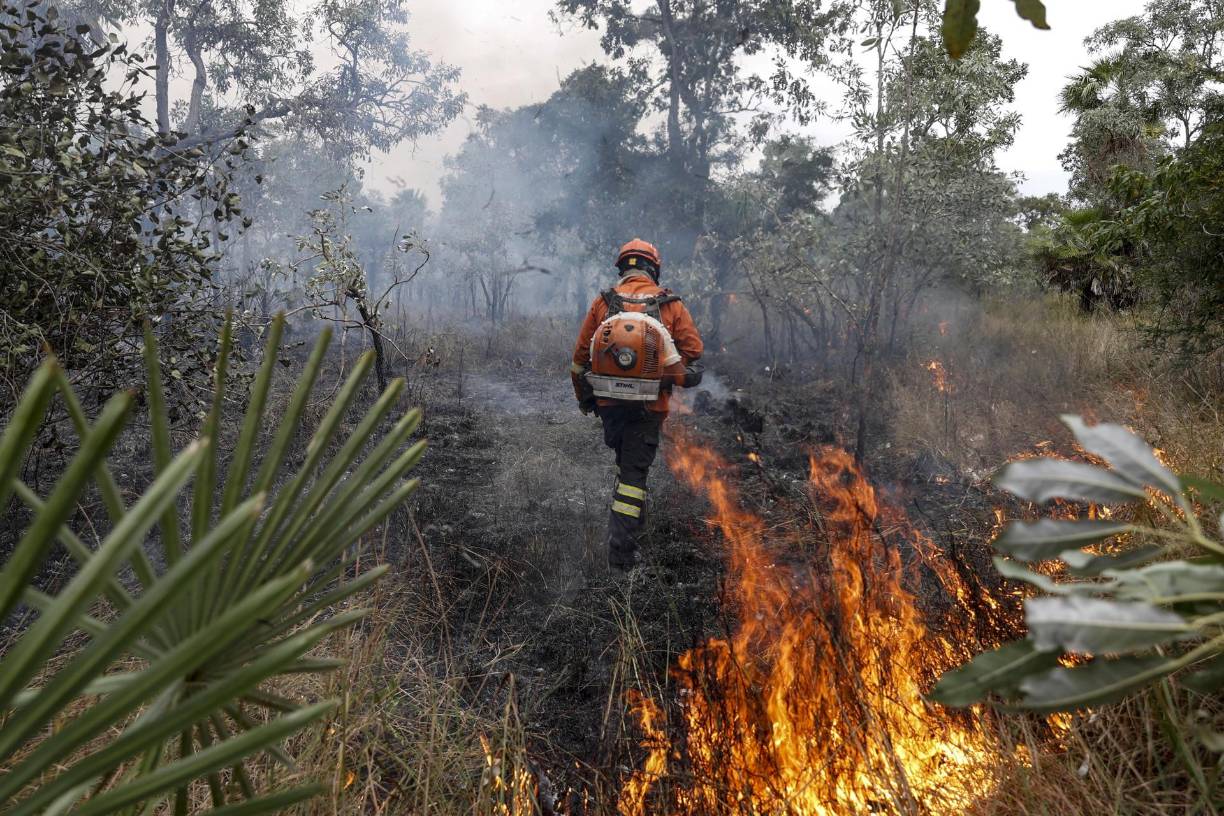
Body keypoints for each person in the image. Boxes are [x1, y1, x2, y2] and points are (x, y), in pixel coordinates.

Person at [570, 239, 704, 572]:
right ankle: (621, 560)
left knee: (628, 468)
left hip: (609, 406)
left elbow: (578, 362)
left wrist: (588, 401)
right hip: (649, 409)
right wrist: (669, 377)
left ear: (622, 269)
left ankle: (633, 535)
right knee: (633, 477)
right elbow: (693, 356)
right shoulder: (670, 305)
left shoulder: (604, 303)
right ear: (653, 270)